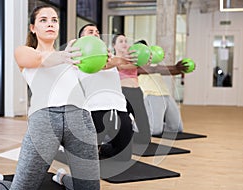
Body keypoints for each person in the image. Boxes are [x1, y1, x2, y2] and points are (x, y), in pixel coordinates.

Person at [0, 5, 100, 190]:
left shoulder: (71, 55)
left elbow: (104, 64)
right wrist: (65, 56)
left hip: (80, 118)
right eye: (43, 20)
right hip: (45, 120)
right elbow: (38, 60)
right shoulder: (25, 52)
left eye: (54, 20)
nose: (50, 23)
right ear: (33, 28)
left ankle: (62, 178)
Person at [112, 34, 188, 144]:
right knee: (124, 127)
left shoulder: (138, 61)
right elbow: (121, 66)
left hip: (140, 93)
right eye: (121, 41)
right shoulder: (116, 61)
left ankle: (129, 134)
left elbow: (157, 69)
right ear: (114, 45)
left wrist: (177, 69)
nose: (124, 43)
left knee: (149, 136)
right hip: (126, 93)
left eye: (125, 41)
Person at [77, 24, 134, 161]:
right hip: (95, 109)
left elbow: (126, 65)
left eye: (97, 31)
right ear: (81, 38)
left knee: (124, 157)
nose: (96, 34)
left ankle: (103, 147)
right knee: (90, 158)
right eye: (91, 32)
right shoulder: (78, 56)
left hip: (119, 108)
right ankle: (82, 148)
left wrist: (138, 60)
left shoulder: (110, 56)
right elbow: (103, 65)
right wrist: (120, 59)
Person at [136, 39, 186, 135]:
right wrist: (175, 67)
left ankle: (154, 122)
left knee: (176, 128)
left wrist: (180, 69)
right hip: (151, 95)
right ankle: (135, 125)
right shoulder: (135, 66)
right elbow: (155, 69)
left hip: (166, 95)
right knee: (155, 131)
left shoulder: (153, 64)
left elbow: (167, 71)